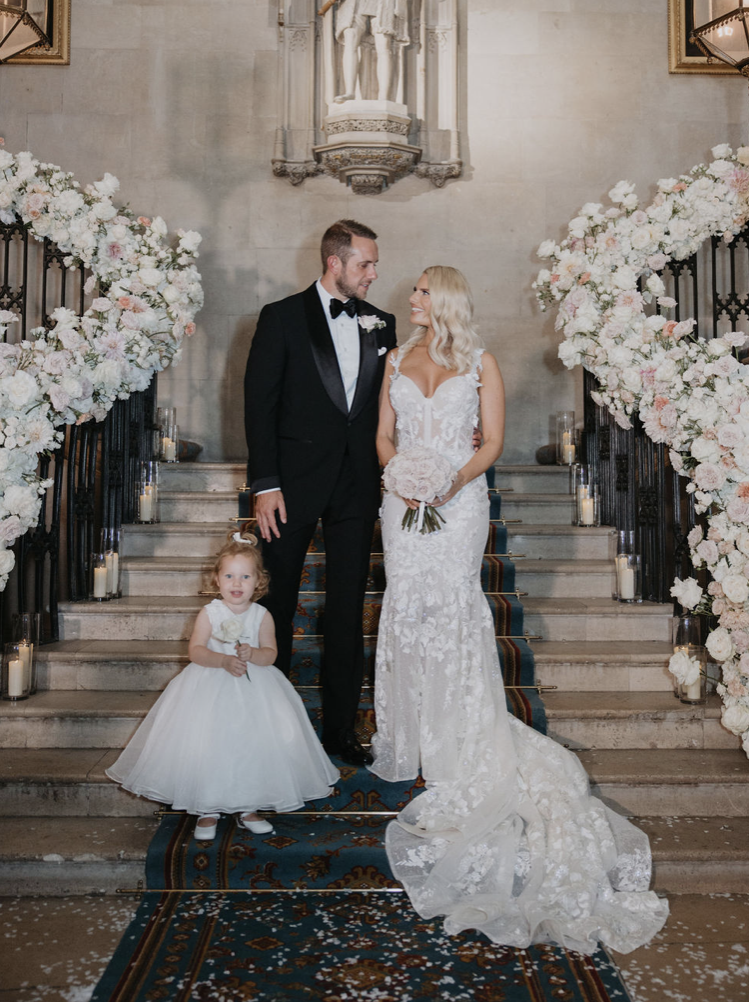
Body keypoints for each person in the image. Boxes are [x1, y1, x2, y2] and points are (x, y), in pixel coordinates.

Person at [371, 266, 669, 953]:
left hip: (458, 501)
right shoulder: (395, 359)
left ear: (440, 298)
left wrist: (446, 481)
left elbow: (493, 443)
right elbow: (384, 436)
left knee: (451, 609)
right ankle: (410, 735)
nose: (408, 299)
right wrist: (398, 474)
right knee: (408, 612)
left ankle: (457, 739)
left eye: (418, 291)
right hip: (402, 504)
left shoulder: (481, 362)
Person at [243, 220, 396, 766]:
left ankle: (338, 732)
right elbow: (259, 406)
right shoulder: (281, 317)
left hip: (357, 488)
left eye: (374, 264)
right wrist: (265, 485)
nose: (374, 274)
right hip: (289, 488)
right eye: (365, 264)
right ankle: (271, 728)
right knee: (276, 605)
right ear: (336, 262)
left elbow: (393, 404)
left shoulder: (384, 325)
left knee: (347, 607)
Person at [106, 528, 337, 840]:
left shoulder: (262, 615)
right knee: (210, 745)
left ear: (258, 581)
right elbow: (196, 651)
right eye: (229, 576)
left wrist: (253, 653)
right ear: (216, 579)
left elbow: (271, 654)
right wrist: (223, 660)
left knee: (250, 746)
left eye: (244, 577)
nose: (236, 584)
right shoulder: (210, 613)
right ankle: (208, 807)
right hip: (210, 688)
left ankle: (248, 806)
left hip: (256, 690)